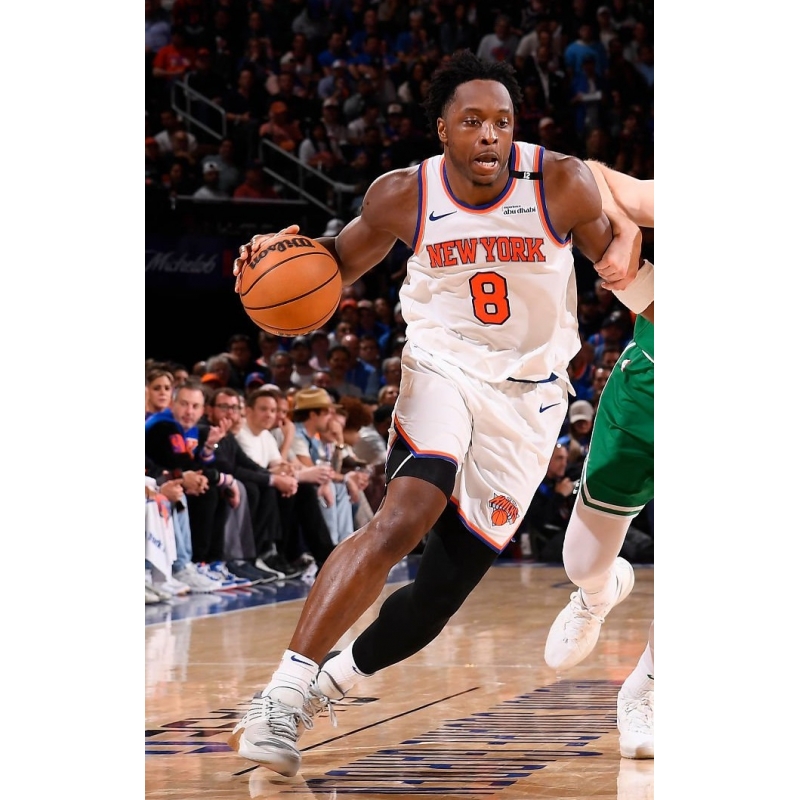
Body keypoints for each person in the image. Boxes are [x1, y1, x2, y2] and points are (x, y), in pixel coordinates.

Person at [227, 50, 636, 778]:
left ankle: (327, 686)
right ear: (442, 128)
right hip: (442, 367)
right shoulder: (403, 195)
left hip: (530, 396)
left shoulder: (561, 182)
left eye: (502, 121)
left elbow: (622, 272)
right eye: (472, 121)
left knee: (437, 598)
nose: (490, 135)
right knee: (404, 514)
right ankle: (282, 694)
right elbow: (332, 265)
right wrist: (275, 258)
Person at [543, 159, 654, 761]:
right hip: (647, 395)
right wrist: (627, 228)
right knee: (582, 561)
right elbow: (586, 171)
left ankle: (646, 689)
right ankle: (596, 593)